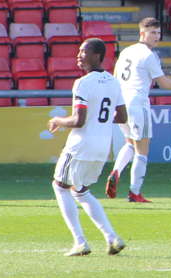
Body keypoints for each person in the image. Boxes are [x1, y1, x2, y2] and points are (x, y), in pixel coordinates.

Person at [49, 38, 128, 257]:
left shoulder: (82, 83)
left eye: (84, 52)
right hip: (102, 147)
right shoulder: (113, 82)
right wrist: (99, 124)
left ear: (97, 56)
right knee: (80, 191)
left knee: (60, 186)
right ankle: (112, 237)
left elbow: (78, 120)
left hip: (80, 146)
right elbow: (122, 116)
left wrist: (57, 120)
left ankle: (79, 241)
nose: (79, 55)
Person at [105, 17, 171, 203]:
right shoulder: (148, 55)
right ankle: (134, 193)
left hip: (121, 102)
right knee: (142, 150)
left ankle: (116, 171)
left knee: (129, 143)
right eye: (152, 32)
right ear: (142, 33)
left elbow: (114, 77)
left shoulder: (127, 51)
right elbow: (164, 83)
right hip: (137, 103)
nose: (157, 36)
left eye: (159, 33)